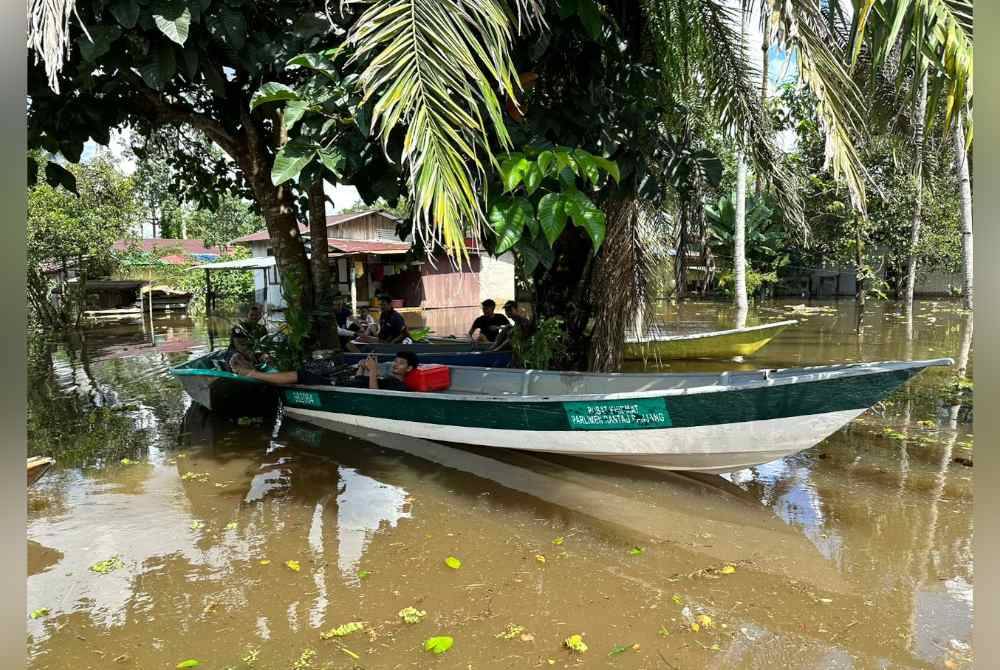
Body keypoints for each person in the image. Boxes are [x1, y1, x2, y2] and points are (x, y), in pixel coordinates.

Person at [346, 351, 418, 390]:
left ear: (409, 368)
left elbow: (376, 396)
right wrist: (361, 367)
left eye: (401, 363)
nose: (395, 364)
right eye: (395, 361)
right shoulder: (388, 378)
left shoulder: (399, 387)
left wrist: (373, 370)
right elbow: (359, 380)